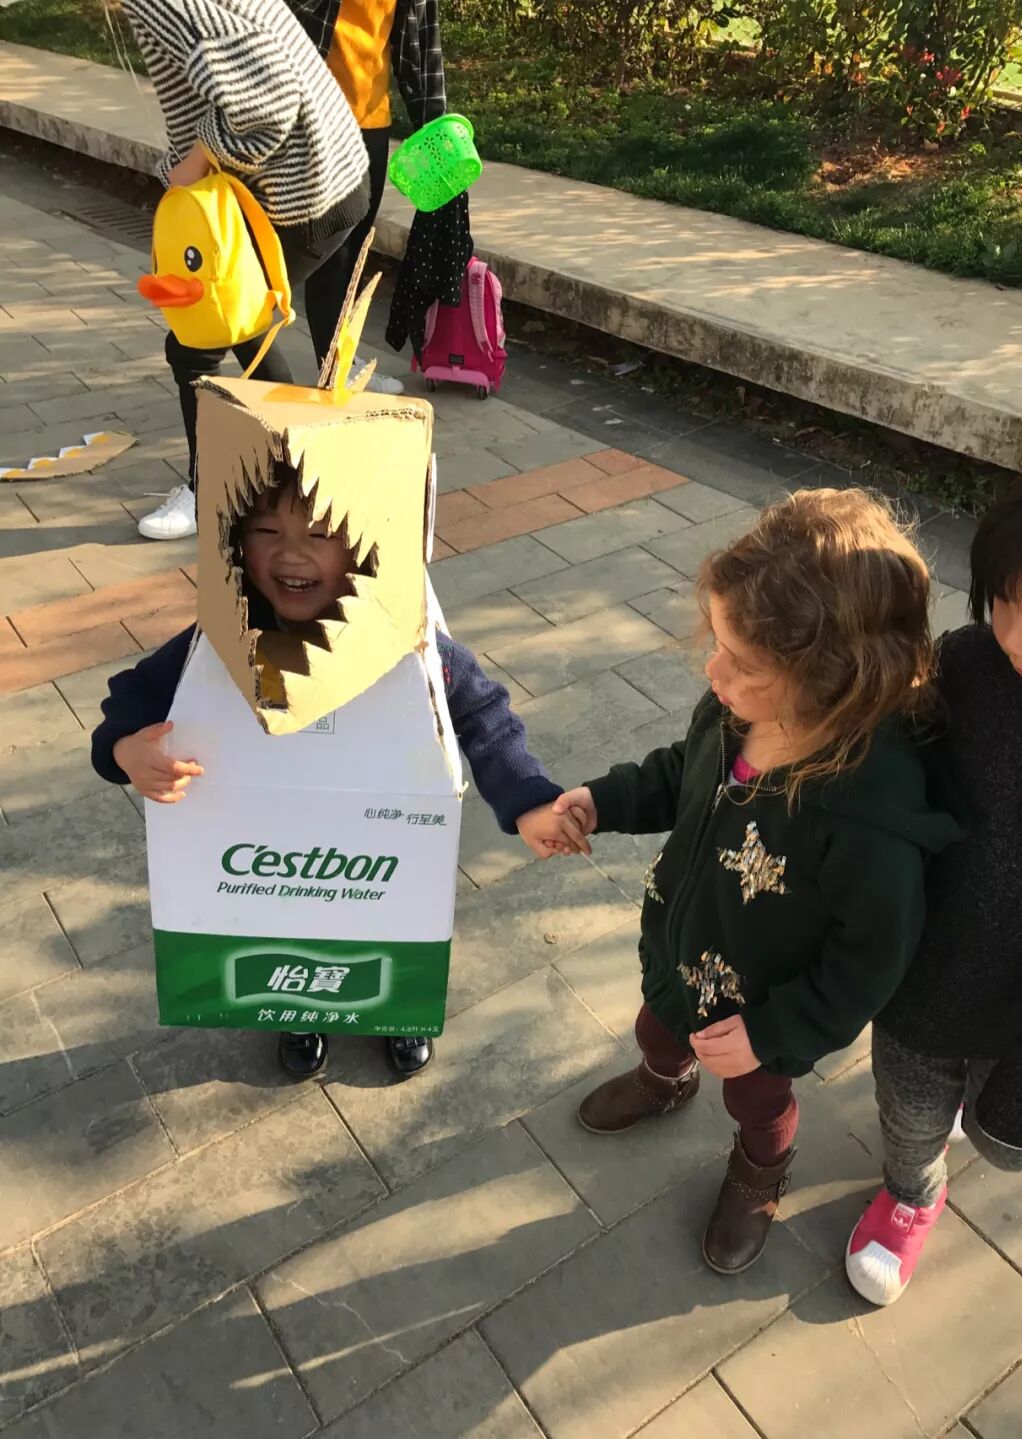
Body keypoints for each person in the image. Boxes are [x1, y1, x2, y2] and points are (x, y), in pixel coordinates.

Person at [552, 488, 963, 1275]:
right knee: (656, 1029)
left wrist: (773, 1034)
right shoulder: (735, 714)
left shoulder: (867, 814)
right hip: (683, 947)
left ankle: (760, 1166)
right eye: (717, 643)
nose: (713, 671)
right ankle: (664, 1080)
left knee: (756, 1098)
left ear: (831, 679)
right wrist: (603, 800)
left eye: (741, 662)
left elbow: (869, 961)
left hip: (764, 1004)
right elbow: (681, 773)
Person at [90, 467, 585, 1078]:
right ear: (236, 541)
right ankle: (298, 1011)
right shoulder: (219, 638)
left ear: (364, 545)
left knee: (391, 919)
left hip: (386, 838)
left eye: (321, 534)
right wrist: (124, 750)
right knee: (290, 923)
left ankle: (399, 1013)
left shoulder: (410, 643)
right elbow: (132, 695)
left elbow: (484, 716)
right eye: (266, 530)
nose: (290, 553)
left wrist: (528, 800)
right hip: (277, 841)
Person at [847, 442, 1022, 1306]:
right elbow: (891, 759)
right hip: (924, 970)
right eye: (1003, 601)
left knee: (992, 1101)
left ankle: (974, 1112)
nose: (1012, 636)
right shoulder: (970, 664)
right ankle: (912, 1192)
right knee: (909, 1106)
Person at [123, 0, 372, 542]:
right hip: (329, 172)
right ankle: (301, 469)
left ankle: (210, 489)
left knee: (198, 339)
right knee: (244, 323)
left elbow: (268, 100)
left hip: (305, 192)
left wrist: (192, 164)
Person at [287, 0, 452, 392]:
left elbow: (421, 46)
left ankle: (340, 360)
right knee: (331, 250)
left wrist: (436, 132)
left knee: (355, 247)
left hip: (372, 122)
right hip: (315, 119)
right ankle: (333, 369)